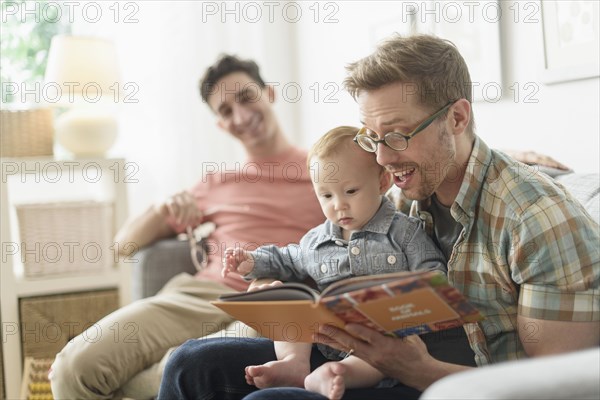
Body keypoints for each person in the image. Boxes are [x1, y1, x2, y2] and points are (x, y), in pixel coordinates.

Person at [157, 34, 600, 400]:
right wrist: (297, 304)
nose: (383, 158)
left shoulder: (538, 222)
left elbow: (554, 392)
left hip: (449, 383)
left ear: (458, 117)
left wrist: (416, 367)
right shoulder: (409, 188)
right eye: (373, 138)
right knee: (193, 363)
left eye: (398, 136)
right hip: (374, 360)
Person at [48, 54, 325, 399]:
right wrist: (163, 206)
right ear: (220, 125)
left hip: (271, 301)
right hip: (197, 297)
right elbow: (124, 246)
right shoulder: (216, 182)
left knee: (180, 367)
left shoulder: (324, 169)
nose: (240, 116)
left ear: (269, 94)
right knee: (71, 369)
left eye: (246, 98)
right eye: (225, 111)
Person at [221, 126, 447, 399]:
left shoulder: (406, 232)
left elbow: (435, 275)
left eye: (350, 191)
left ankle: (339, 374)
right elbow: (284, 259)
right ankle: (294, 362)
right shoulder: (315, 241)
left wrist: (408, 300)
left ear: (382, 183)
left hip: (379, 343)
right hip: (326, 336)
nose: (339, 205)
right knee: (289, 297)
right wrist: (250, 262)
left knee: (386, 347)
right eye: (326, 196)